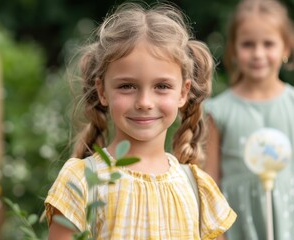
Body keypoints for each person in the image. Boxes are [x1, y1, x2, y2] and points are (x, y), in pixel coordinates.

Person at [45, 2, 236, 240]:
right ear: (103, 91)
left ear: (183, 93)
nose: (144, 102)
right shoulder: (81, 181)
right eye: (127, 86)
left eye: (162, 86)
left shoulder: (198, 188)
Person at [204, 0, 294, 239]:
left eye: (269, 44)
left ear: (286, 48)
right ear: (233, 49)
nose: (258, 54)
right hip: (239, 227)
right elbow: (210, 179)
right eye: (247, 44)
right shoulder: (217, 111)